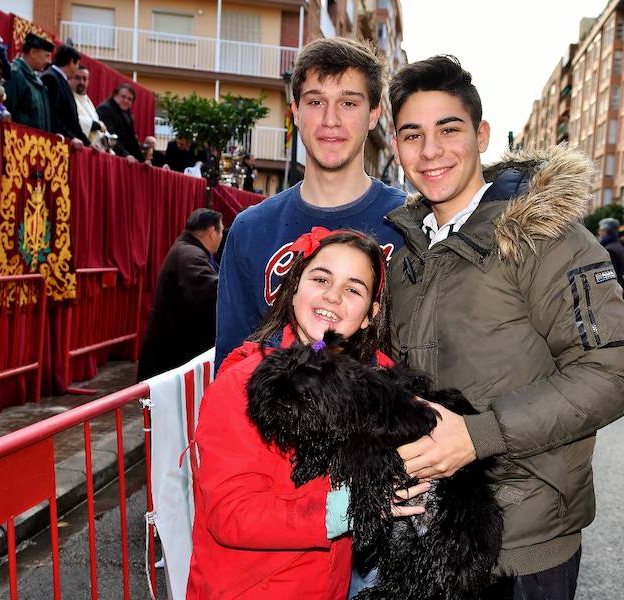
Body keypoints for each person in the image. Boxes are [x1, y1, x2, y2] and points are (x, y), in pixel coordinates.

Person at [386, 56, 624, 599]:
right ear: (396, 147)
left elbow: (615, 373)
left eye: (448, 129)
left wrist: (478, 437)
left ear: (481, 135)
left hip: (522, 543)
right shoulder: (405, 252)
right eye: (413, 135)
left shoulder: (543, 237)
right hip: (426, 532)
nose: (431, 151)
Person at [186, 228, 427, 599]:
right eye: (321, 278)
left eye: (353, 289)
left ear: (369, 315)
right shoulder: (244, 384)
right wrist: (357, 506)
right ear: (295, 286)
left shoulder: (372, 382)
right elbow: (231, 514)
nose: (332, 295)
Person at [214, 37, 405, 373]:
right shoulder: (250, 230)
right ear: (296, 113)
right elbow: (232, 366)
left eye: (348, 103)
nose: (330, 119)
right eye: (316, 102)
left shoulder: (412, 224)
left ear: (374, 114)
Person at [136, 209, 225, 382]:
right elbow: (210, 292)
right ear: (212, 232)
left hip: (173, 352)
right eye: (221, 230)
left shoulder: (188, 249)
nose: (222, 237)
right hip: (171, 355)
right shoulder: (190, 253)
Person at [40, 44, 88, 148]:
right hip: (57, 144)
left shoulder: (63, 80)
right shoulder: (51, 78)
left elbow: (74, 122)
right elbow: (53, 116)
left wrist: (89, 144)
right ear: (71, 62)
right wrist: (71, 138)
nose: (76, 69)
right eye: (77, 65)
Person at [4, 33, 54, 132]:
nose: (49, 61)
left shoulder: (37, 80)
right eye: (46, 56)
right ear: (33, 53)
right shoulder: (15, 74)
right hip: (20, 142)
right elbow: (6, 111)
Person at [96, 83, 143, 162]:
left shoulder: (127, 113)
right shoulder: (105, 109)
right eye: (123, 97)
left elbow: (132, 140)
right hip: (107, 157)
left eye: (129, 99)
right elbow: (110, 137)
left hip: (121, 157)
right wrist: (126, 155)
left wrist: (142, 160)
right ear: (115, 95)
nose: (126, 100)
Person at [70, 65, 107, 150]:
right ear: (70, 78)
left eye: (84, 79)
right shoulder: (67, 96)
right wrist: (93, 124)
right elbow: (71, 120)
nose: (81, 82)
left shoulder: (87, 100)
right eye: (77, 78)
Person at [599, 217, 624, 282]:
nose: (600, 233)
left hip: (612, 289)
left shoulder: (609, 249)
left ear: (606, 232)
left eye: (601, 230)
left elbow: (609, 275)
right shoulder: (617, 245)